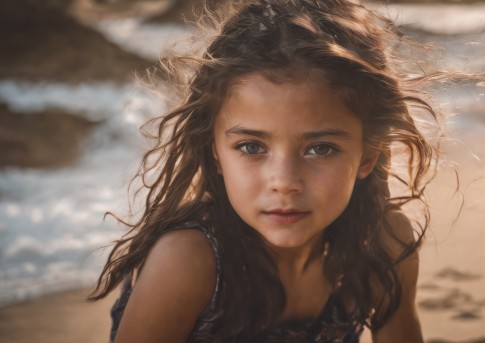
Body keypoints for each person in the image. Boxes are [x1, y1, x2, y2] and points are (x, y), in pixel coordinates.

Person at [89, 0, 440, 341]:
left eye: (321, 149)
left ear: (368, 154)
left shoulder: (381, 243)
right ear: (214, 151)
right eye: (252, 147)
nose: (284, 182)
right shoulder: (190, 261)